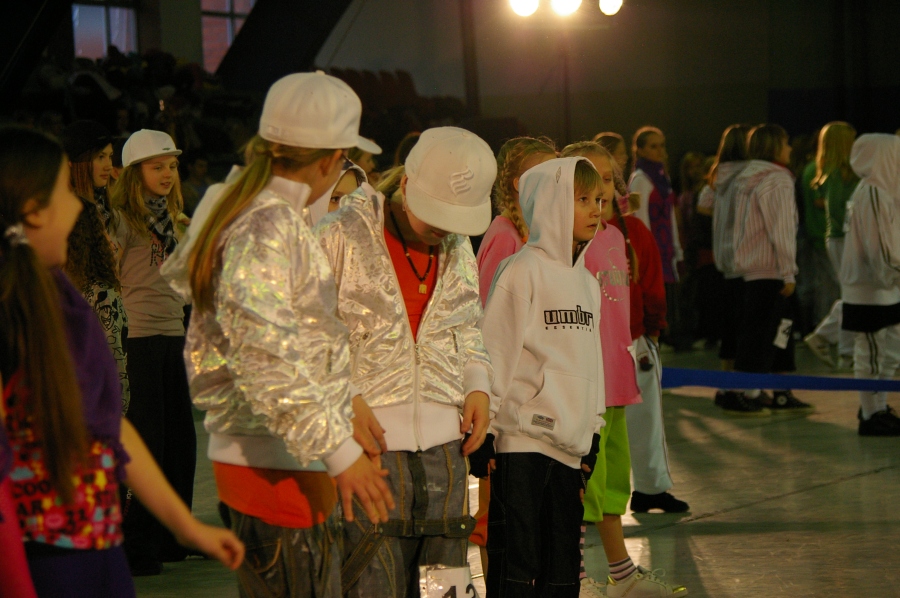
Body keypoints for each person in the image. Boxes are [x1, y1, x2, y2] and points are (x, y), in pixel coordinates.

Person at [175, 72, 395, 597]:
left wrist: (344, 401)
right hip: (271, 466)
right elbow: (266, 359)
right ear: (329, 159)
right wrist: (339, 451)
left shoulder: (261, 212)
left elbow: (297, 337)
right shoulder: (265, 222)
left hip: (282, 456)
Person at [0, 125, 244, 597]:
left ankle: (159, 536)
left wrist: (188, 527)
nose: (79, 207)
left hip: (94, 538)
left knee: (174, 436)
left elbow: (109, 426)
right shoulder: (24, 314)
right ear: (30, 211)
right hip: (40, 548)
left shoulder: (67, 306)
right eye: (62, 192)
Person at [316, 126, 495, 597]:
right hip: (367, 444)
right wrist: (345, 398)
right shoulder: (339, 232)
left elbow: (467, 325)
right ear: (408, 183)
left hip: (446, 452)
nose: (444, 228)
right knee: (370, 581)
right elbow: (309, 331)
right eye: (438, 213)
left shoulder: (457, 244)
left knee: (444, 587)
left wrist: (478, 384)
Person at [563, 142, 687, 597]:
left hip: (616, 381)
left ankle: (622, 576)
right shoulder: (565, 244)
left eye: (607, 178)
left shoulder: (616, 237)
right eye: (589, 180)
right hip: (583, 386)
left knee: (614, 482)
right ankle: (575, 577)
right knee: (583, 486)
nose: (601, 190)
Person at [481, 156, 606, 597]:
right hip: (522, 445)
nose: (596, 210)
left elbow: (591, 363)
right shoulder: (521, 270)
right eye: (583, 199)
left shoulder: (588, 283)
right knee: (516, 569)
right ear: (552, 203)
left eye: (599, 200)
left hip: (569, 451)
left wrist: (593, 429)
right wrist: (486, 429)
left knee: (562, 574)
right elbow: (494, 351)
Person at [109, 128, 197, 574]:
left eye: (172, 166)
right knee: (148, 441)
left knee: (180, 440)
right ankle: (138, 543)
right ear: (133, 173)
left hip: (173, 333)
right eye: (157, 166)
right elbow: (108, 279)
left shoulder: (176, 219)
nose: (167, 173)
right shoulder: (121, 220)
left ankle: (173, 536)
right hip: (138, 339)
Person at [471, 135, 556, 576]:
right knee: (498, 517)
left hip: (532, 403)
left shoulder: (536, 236)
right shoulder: (505, 236)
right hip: (506, 407)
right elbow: (488, 326)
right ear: (521, 182)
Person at [731, 124, 813, 413]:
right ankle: (747, 392)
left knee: (780, 331)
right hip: (771, 270)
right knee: (764, 333)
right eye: (785, 143)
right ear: (774, 146)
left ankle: (779, 390)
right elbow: (782, 228)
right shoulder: (777, 179)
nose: (789, 149)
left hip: (756, 269)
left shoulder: (747, 177)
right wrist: (788, 271)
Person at [59, 120, 130, 412]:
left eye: (110, 157)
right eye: (100, 157)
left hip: (109, 320)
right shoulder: (68, 211)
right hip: (83, 324)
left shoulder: (108, 212)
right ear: (78, 162)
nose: (108, 165)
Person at [705, 124, 771, 415]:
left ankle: (726, 387)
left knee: (730, 329)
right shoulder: (750, 176)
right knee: (748, 330)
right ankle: (742, 389)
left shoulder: (718, 174)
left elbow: (703, 205)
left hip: (723, 260)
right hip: (746, 260)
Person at [839, 133, 900, 436]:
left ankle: (879, 406)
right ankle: (870, 413)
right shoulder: (873, 192)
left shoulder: (880, 191)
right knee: (872, 353)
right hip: (871, 288)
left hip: (884, 286)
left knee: (889, 351)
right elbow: (881, 251)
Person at [804, 122, 859, 370]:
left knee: (851, 294)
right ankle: (824, 337)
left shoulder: (833, 171)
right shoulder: (838, 173)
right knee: (854, 295)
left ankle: (846, 352)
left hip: (840, 239)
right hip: (844, 239)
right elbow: (838, 211)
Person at [629, 127, 685, 348]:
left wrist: (677, 249)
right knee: (653, 297)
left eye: (662, 145)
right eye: (653, 146)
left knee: (666, 296)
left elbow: (670, 216)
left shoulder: (662, 177)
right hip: (653, 247)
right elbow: (640, 219)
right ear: (641, 150)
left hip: (665, 246)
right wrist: (646, 251)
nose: (660, 150)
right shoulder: (640, 179)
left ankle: (666, 337)